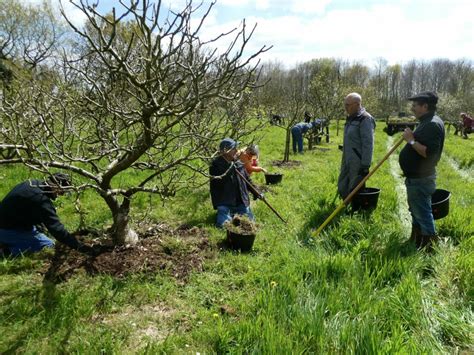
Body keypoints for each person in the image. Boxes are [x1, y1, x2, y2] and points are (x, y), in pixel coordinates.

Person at [0, 173, 94, 256]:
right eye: (62, 191)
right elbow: (57, 229)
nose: (61, 195)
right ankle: (6, 250)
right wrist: (79, 247)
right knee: (48, 244)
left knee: (41, 232)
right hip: (7, 229)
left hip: (10, 222)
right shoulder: (41, 200)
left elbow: (24, 208)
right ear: (55, 186)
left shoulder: (33, 183)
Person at [399, 91, 445, 249]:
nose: (412, 108)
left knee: (423, 212)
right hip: (417, 177)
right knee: (417, 210)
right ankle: (416, 239)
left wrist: (411, 141)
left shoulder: (432, 124)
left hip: (421, 179)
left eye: (415, 105)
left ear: (425, 106)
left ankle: (429, 246)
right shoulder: (427, 121)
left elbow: (428, 152)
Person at [210, 138, 261, 228]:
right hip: (225, 202)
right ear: (225, 151)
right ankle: (227, 216)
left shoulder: (238, 163)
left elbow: (247, 180)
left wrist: (256, 192)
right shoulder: (215, 165)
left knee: (249, 225)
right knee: (223, 226)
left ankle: (235, 215)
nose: (237, 150)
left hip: (240, 202)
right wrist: (230, 167)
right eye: (234, 148)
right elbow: (219, 182)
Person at [337, 92, 376, 199]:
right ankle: (345, 205)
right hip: (347, 157)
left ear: (357, 104)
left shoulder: (365, 119)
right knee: (342, 183)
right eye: (345, 104)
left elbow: (368, 143)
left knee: (355, 186)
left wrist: (365, 165)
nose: (345, 107)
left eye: (348, 105)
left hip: (358, 160)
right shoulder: (351, 118)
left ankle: (356, 208)